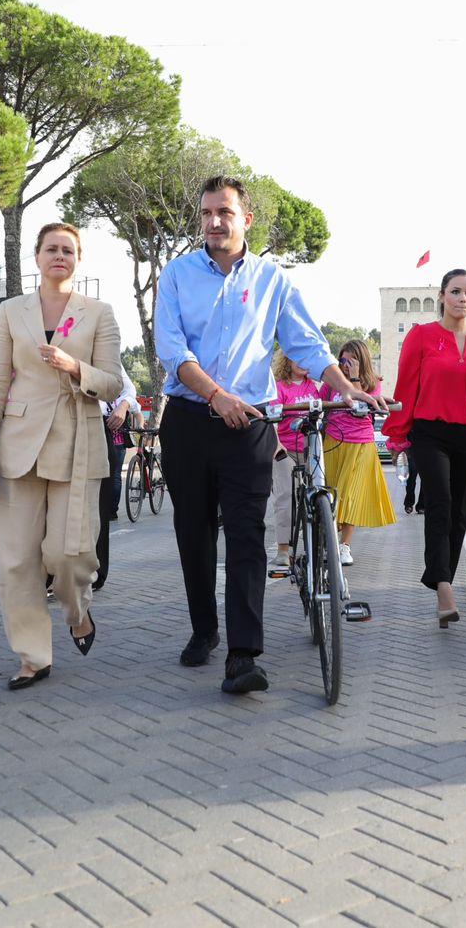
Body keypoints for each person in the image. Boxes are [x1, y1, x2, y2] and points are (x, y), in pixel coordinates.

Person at [156, 176, 378, 694]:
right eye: (208, 212)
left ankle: (243, 655)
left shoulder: (272, 279)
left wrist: (347, 389)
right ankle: (205, 629)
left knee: (247, 537)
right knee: (193, 533)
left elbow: (307, 345)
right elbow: (172, 349)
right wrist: (216, 396)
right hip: (190, 420)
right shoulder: (176, 275)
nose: (215, 221)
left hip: (251, 427)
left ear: (245, 220)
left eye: (225, 213)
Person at [0, 223, 122, 690]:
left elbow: (113, 383)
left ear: (79, 259)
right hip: (19, 446)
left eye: (69, 250)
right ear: (36, 257)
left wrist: (76, 367)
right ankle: (33, 656)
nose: (60, 255)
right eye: (52, 249)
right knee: (17, 562)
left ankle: (78, 613)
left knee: (69, 555)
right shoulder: (11, 312)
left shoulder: (99, 313)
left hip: (78, 444)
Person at [382, 269, 466, 628]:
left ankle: (442, 578)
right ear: (442, 295)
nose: (462, 299)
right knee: (440, 505)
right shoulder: (421, 336)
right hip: (430, 432)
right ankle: (444, 587)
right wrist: (398, 435)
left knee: (460, 513)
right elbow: (406, 387)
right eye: (455, 292)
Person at [318, 340, 396, 568]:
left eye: (351, 361)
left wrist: (353, 378)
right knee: (330, 495)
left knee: (348, 496)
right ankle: (328, 542)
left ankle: (344, 546)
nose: (345, 365)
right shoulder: (332, 384)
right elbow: (319, 401)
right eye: (342, 361)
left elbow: (361, 404)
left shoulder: (374, 383)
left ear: (361, 361)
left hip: (360, 444)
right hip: (333, 442)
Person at [269, 350, 318, 571]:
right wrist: (276, 444)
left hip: (310, 448)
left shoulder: (312, 387)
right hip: (286, 449)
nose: (303, 363)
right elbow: (272, 419)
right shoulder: (279, 387)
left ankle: (322, 542)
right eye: (298, 357)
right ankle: (283, 550)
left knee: (319, 492)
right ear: (287, 360)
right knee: (286, 496)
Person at [95, 368, 141, 592]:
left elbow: (129, 389)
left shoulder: (99, 340)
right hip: (51, 427)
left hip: (96, 426)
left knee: (97, 510)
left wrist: (123, 406)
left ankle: (96, 571)